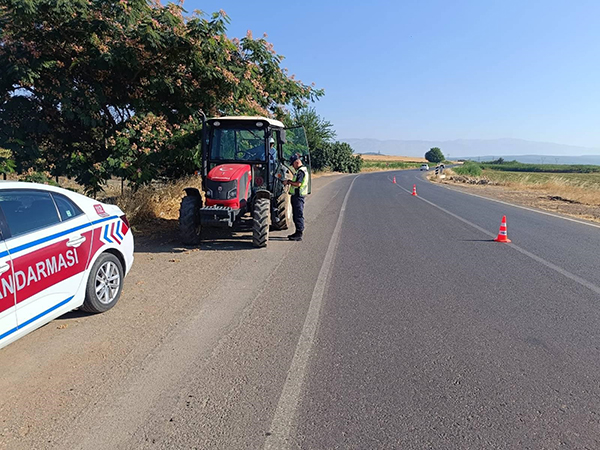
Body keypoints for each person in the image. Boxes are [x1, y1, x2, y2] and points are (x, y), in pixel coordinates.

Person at [283, 154, 308, 241]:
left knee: (298, 215)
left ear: (296, 162)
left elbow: (298, 184)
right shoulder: (301, 170)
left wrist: (289, 182)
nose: (292, 166)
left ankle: (299, 233)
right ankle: (297, 232)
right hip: (297, 196)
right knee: (296, 214)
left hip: (298, 196)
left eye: (293, 164)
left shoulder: (300, 171)